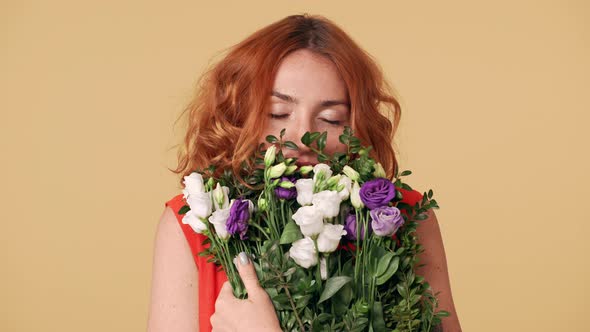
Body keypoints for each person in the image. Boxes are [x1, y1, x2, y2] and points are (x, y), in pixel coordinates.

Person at [147, 14, 462, 332]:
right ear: (238, 114)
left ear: (357, 125)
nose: (301, 137)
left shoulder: (402, 218)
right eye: (277, 113)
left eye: (331, 118)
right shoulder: (192, 226)